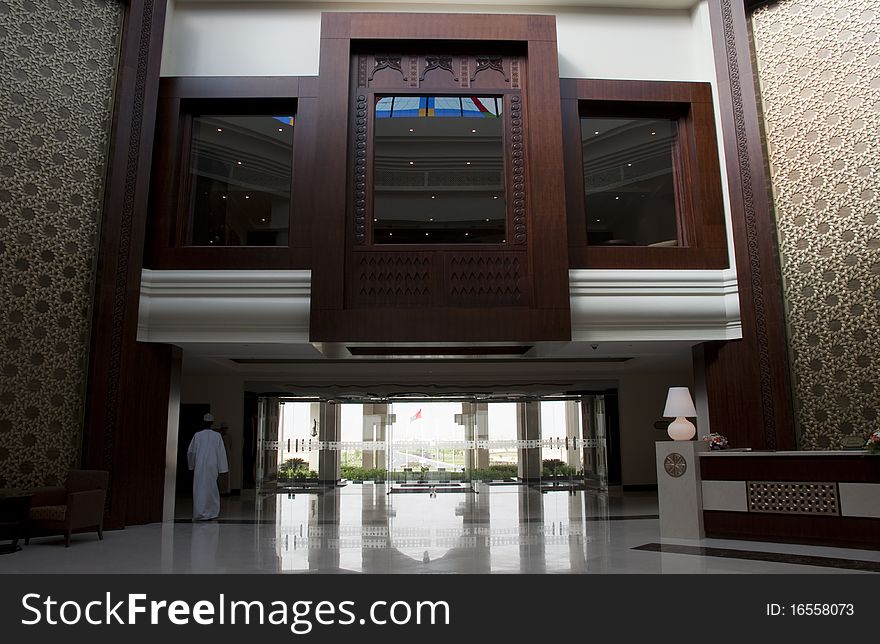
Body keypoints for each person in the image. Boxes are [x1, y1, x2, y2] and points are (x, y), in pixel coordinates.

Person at [187, 413, 229, 520]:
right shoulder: (217, 436)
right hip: (212, 466)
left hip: (200, 466)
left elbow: (191, 452)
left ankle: (199, 512)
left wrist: (191, 465)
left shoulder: (197, 435)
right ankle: (212, 512)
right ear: (212, 423)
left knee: (199, 488)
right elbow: (221, 453)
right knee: (211, 488)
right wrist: (222, 468)